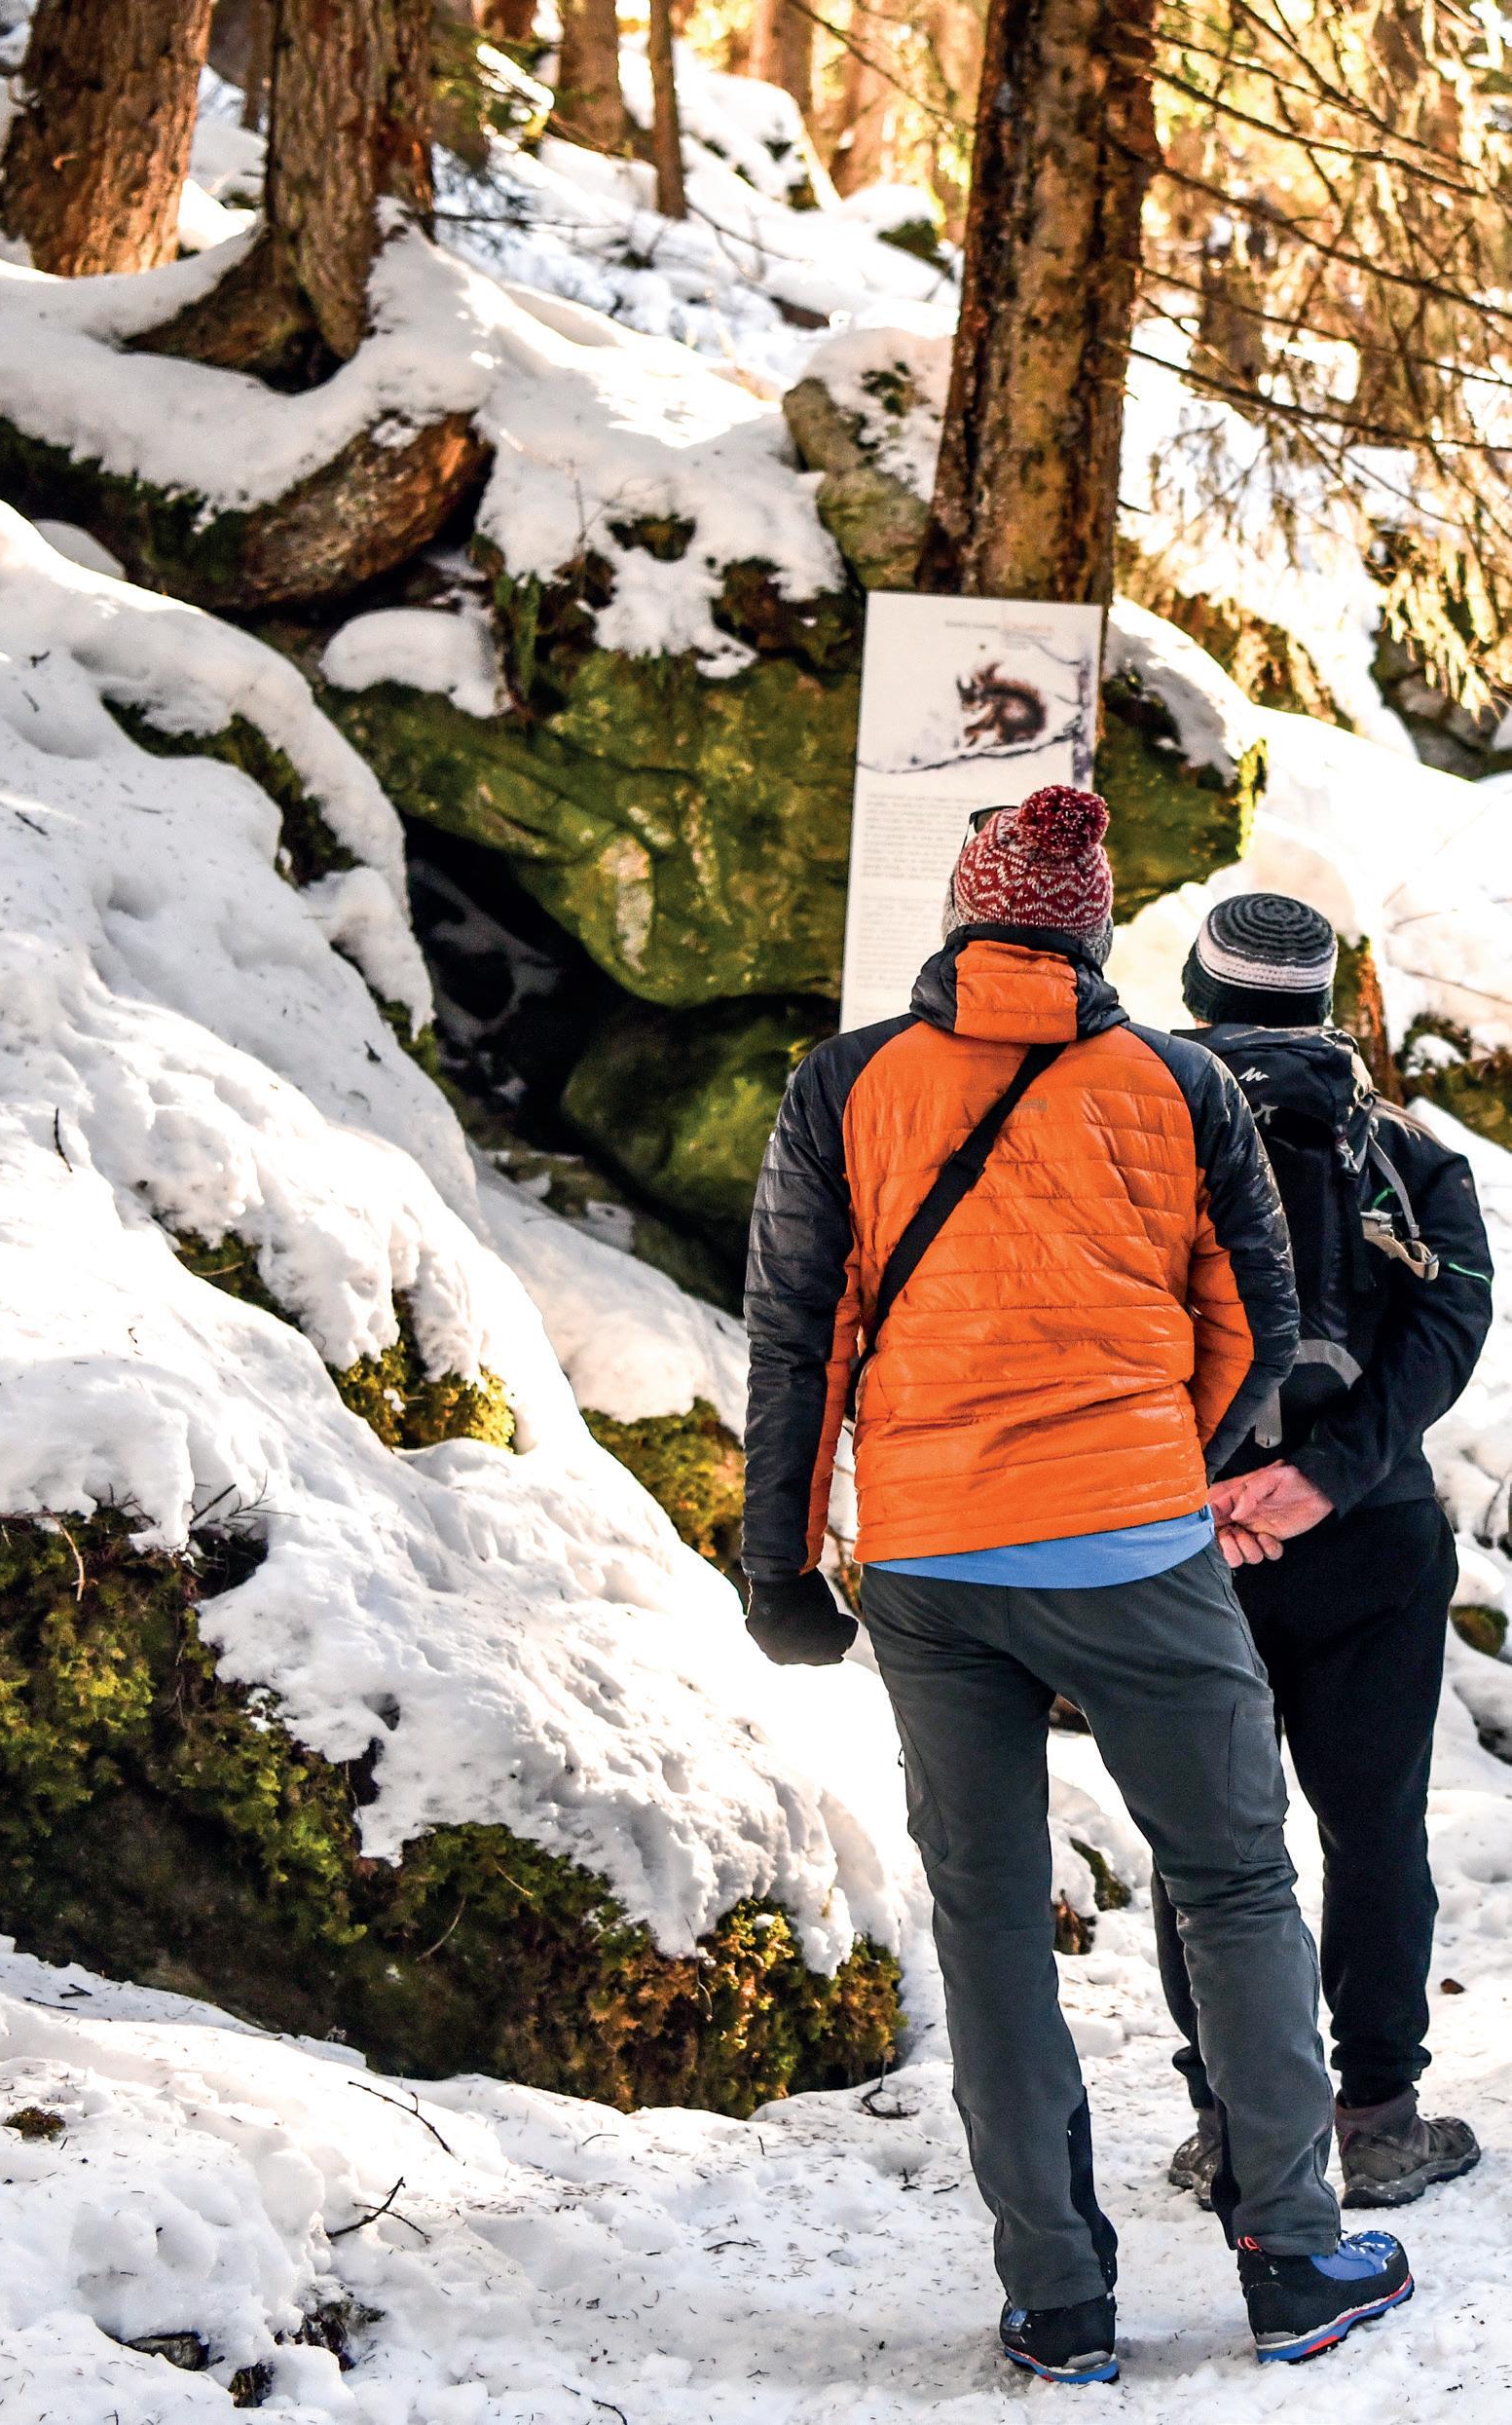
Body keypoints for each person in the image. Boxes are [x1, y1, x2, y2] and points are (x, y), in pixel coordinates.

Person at [741, 786, 1414, 2384]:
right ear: (1096, 930)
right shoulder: (1178, 1082)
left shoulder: (844, 1083)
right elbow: (1252, 1321)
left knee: (986, 1921)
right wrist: (1161, 1465)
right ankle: (1294, 2256)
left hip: (930, 1557)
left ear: (960, 918)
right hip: (1131, 1542)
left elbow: (796, 1335)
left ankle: (1055, 2299)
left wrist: (781, 1559)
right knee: (1234, 1883)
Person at [1157, 893, 1494, 2218]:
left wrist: (1205, 1483)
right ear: (1330, 1000)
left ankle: (1231, 2123)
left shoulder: (1135, 1131)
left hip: (1187, 1538)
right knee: (1373, 1830)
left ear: (1196, 992)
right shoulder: (1407, 1153)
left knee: (1205, 1841)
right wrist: (1327, 1474)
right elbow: (1448, 1328)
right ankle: (1378, 2120)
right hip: (1371, 1540)